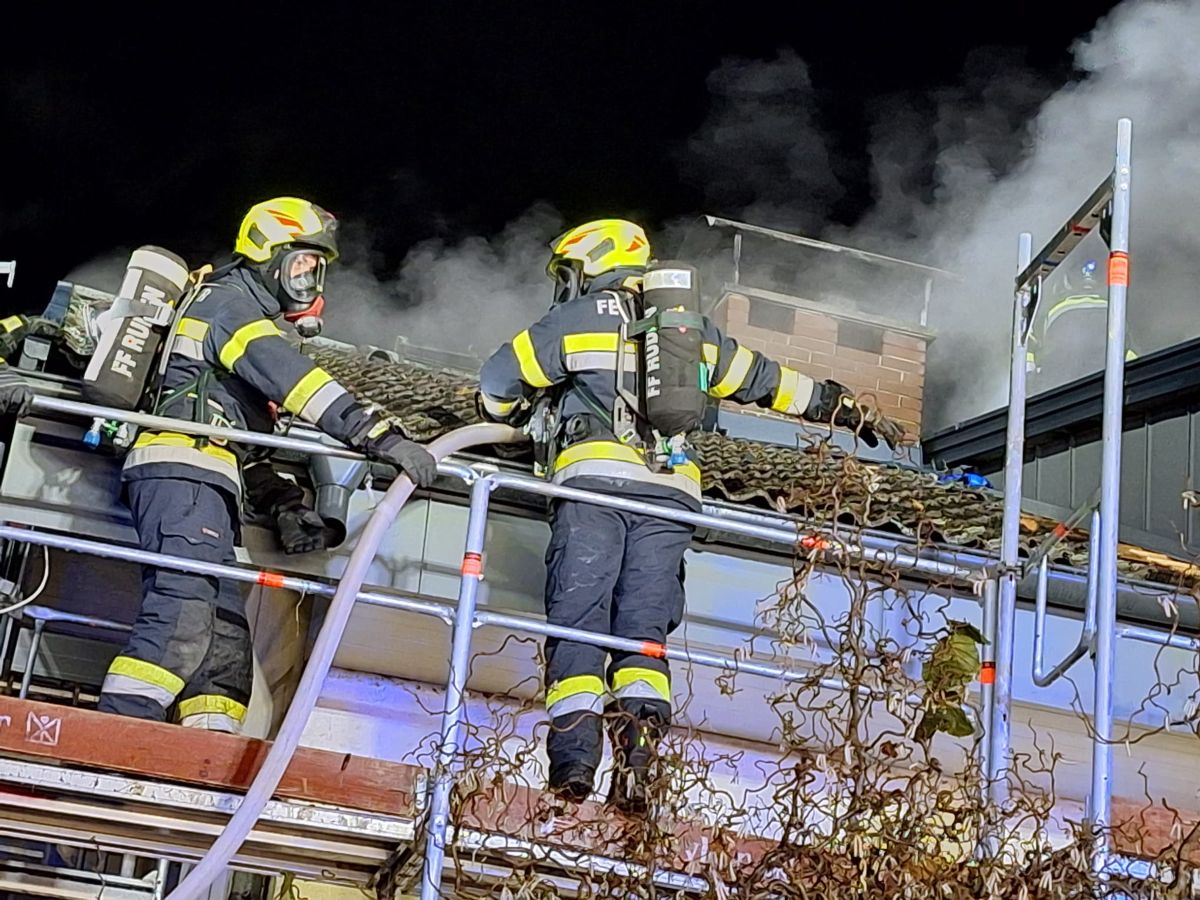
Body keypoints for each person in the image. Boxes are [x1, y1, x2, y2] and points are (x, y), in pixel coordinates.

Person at [478, 218, 903, 810]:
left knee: (579, 621)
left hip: (595, 491)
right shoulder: (689, 330)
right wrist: (844, 407)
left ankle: (575, 761)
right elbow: (767, 381)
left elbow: (498, 380)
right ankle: (640, 765)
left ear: (592, 263)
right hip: (672, 498)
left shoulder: (576, 318)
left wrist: (512, 422)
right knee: (644, 636)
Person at [97, 197, 438, 732]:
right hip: (183, 471)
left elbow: (243, 443)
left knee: (225, 644)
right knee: (182, 617)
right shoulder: (228, 306)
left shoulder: (235, 314)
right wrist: (381, 437)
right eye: (302, 265)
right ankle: (112, 739)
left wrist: (284, 503)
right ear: (266, 255)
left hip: (207, 477)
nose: (309, 281)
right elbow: (297, 381)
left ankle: (203, 760)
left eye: (316, 270)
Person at [1029, 258, 1137, 389]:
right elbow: (1129, 353)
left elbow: (1029, 347)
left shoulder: (1050, 311)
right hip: (1100, 388)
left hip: (1057, 388)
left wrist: (1031, 381)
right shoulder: (1114, 312)